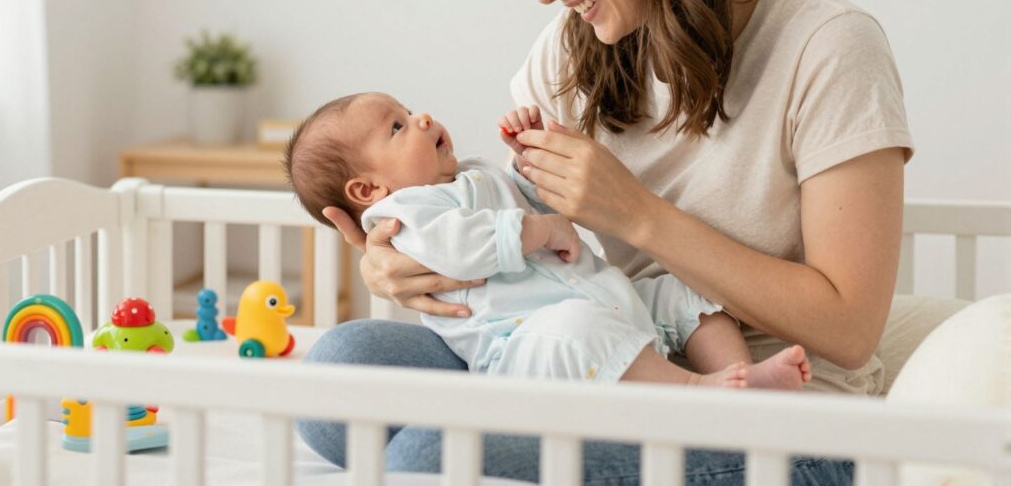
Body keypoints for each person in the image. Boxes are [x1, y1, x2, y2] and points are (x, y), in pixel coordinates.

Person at [298, 0, 914, 485]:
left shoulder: (828, 47)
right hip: (606, 355)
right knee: (340, 371)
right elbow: (507, 241)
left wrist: (640, 215)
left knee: (426, 455)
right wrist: (403, 253)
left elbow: (849, 330)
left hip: (785, 418)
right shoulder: (571, 53)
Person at [285, 91, 813, 390]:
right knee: (576, 329)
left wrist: (528, 160)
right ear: (368, 190)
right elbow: (464, 247)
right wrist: (538, 230)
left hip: (609, 302)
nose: (420, 117)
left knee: (685, 292)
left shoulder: (471, 174)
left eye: (407, 111)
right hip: (529, 345)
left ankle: (739, 382)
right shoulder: (404, 216)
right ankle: (698, 392)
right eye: (398, 128)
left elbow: (539, 202)